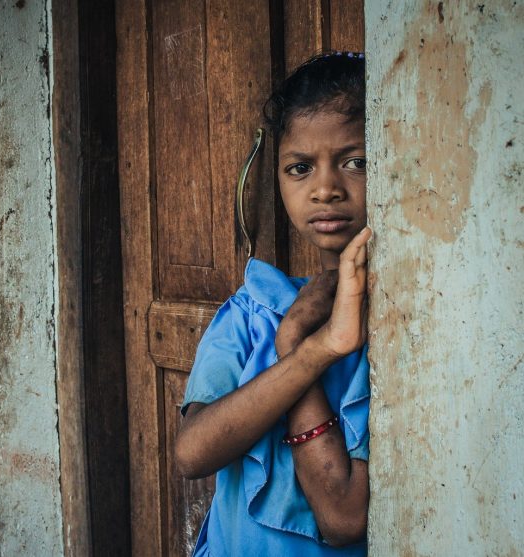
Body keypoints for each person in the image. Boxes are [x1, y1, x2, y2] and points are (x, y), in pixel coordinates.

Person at [175, 51, 371, 557]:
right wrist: (304, 348)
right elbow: (193, 452)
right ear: (276, 180)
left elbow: (345, 517)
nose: (326, 189)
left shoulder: (400, 323)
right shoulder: (252, 309)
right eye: (299, 168)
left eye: (357, 162)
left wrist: (309, 346)